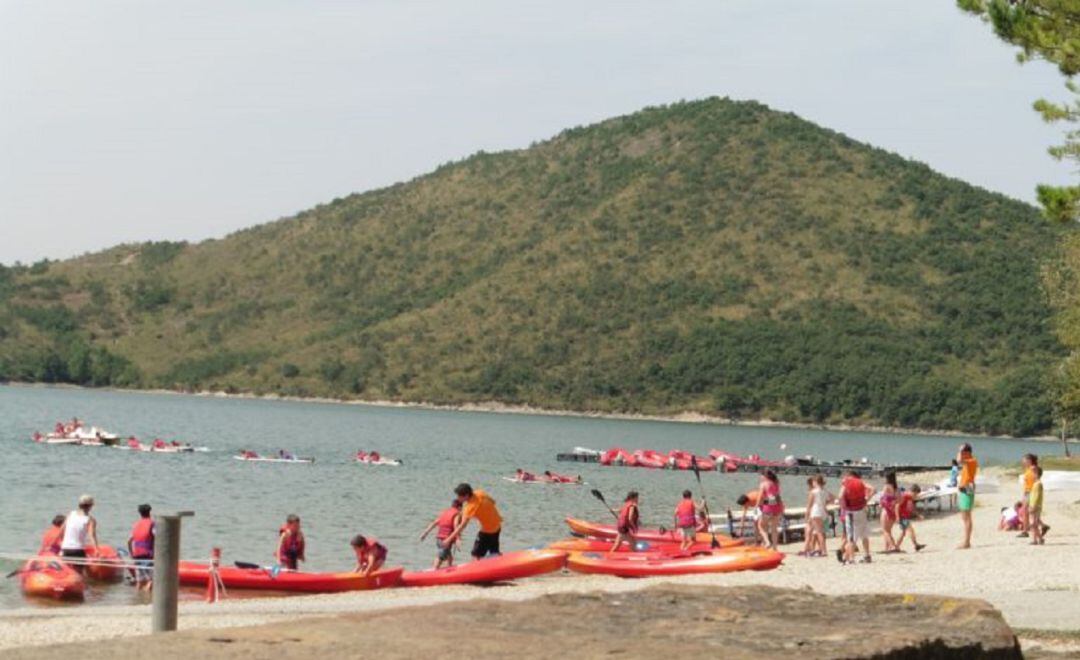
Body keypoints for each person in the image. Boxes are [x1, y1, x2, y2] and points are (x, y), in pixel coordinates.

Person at [444, 483, 503, 559]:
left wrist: (448, 540)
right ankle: (498, 562)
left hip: (487, 531)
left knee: (475, 555)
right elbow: (493, 501)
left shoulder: (469, 507)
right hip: (497, 525)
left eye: (459, 496)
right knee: (494, 552)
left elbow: (462, 526)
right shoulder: (480, 492)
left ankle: (481, 569)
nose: (458, 498)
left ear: (466, 495)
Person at [837, 471, 874, 565]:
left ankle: (849, 558)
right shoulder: (861, 482)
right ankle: (867, 555)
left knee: (851, 537)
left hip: (851, 512)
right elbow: (872, 489)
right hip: (861, 510)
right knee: (864, 534)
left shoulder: (847, 482)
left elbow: (840, 496)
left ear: (848, 475)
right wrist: (866, 500)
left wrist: (843, 506)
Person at [419, 500, 463, 569]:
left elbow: (435, 523)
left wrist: (425, 533)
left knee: (449, 556)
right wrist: (458, 539)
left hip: (438, 539)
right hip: (446, 541)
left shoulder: (445, 512)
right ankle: (434, 570)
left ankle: (449, 569)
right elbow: (456, 525)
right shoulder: (456, 514)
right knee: (440, 557)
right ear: (460, 507)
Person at [60, 495, 99, 571]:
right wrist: (96, 549)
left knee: (68, 571)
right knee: (80, 572)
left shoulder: (71, 514)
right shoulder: (90, 519)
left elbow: (61, 530)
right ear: (90, 506)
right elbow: (92, 535)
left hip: (66, 549)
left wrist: (61, 544)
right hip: (77, 550)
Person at [127, 504, 155, 591]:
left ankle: (138, 599)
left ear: (140, 513)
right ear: (150, 512)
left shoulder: (136, 524)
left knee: (139, 581)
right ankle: (146, 599)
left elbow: (129, 541)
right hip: (148, 555)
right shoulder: (152, 523)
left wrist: (131, 554)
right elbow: (157, 537)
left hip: (137, 555)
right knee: (151, 580)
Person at [956, 443, 978, 549]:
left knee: (967, 516)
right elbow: (959, 461)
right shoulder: (969, 462)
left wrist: (960, 450)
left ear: (967, 453)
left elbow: (959, 460)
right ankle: (966, 541)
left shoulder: (972, 461)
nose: (962, 454)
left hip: (967, 488)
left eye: (963, 453)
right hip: (965, 487)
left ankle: (967, 541)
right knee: (964, 516)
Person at [756, 471, 784, 550]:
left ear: (765, 476)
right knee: (774, 528)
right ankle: (775, 548)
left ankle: (767, 542)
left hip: (768, 507)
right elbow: (778, 497)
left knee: (760, 525)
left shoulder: (763, 484)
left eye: (761, 476)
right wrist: (781, 508)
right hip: (777, 507)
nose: (760, 478)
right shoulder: (776, 483)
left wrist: (756, 506)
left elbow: (760, 496)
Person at [894, 485, 925, 552]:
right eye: (916, 494)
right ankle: (915, 545)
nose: (916, 496)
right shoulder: (905, 496)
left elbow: (912, 508)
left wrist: (918, 515)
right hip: (902, 517)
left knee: (905, 532)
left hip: (905, 517)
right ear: (913, 492)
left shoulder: (909, 498)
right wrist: (897, 517)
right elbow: (897, 506)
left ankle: (897, 546)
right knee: (909, 531)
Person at [879, 472, 900, 553]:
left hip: (886, 510)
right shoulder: (896, 488)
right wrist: (893, 503)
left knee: (884, 530)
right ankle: (887, 548)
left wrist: (881, 504)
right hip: (893, 510)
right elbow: (899, 500)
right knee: (888, 530)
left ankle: (892, 546)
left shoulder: (886, 486)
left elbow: (883, 499)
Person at [1029, 466, 1045, 546]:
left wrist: (1034, 506)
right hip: (1033, 505)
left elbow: (1037, 496)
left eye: (1032, 473)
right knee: (1033, 524)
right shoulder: (1036, 483)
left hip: (1036, 506)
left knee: (1033, 524)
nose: (1031, 474)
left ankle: (1038, 539)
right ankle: (1037, 539)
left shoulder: (1038, 484)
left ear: (1036, 474)